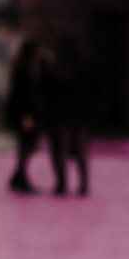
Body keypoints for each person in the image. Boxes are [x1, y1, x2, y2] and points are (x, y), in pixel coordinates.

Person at [43, 35, 95, 195]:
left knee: (62, 148)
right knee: (81, 149)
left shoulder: (56, 66)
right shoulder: (85, 65)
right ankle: (83, 183)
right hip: (81, 112)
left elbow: (47, 92)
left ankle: (62, 183)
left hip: (60, 112)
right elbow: (95, 89)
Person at [3, 38, 45, 193]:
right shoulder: (23, 68)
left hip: (27, 112)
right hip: (24, 113)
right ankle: (20, 176)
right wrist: (26, 116)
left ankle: (19, 175)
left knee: (27, 144)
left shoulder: (32, 67)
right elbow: (21, 94)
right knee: (27, 144)